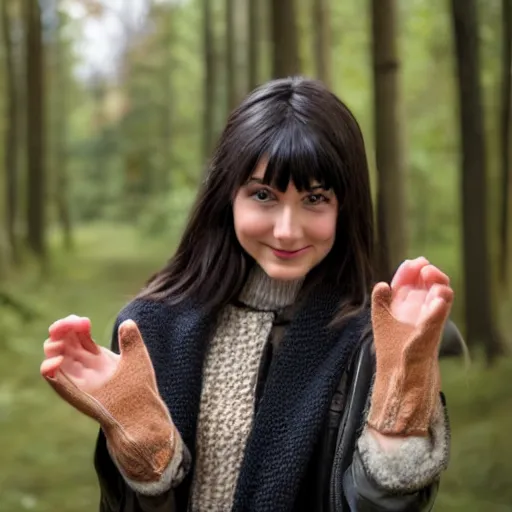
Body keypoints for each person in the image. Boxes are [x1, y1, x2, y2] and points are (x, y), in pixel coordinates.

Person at [41, 77, 452, 512]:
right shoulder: (149, 330)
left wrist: (399, 424)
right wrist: (145, 451)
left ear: (345, 207)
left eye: (314, 198)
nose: (287, 229)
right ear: (227, 196)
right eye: (263, 195)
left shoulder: (375, 340)